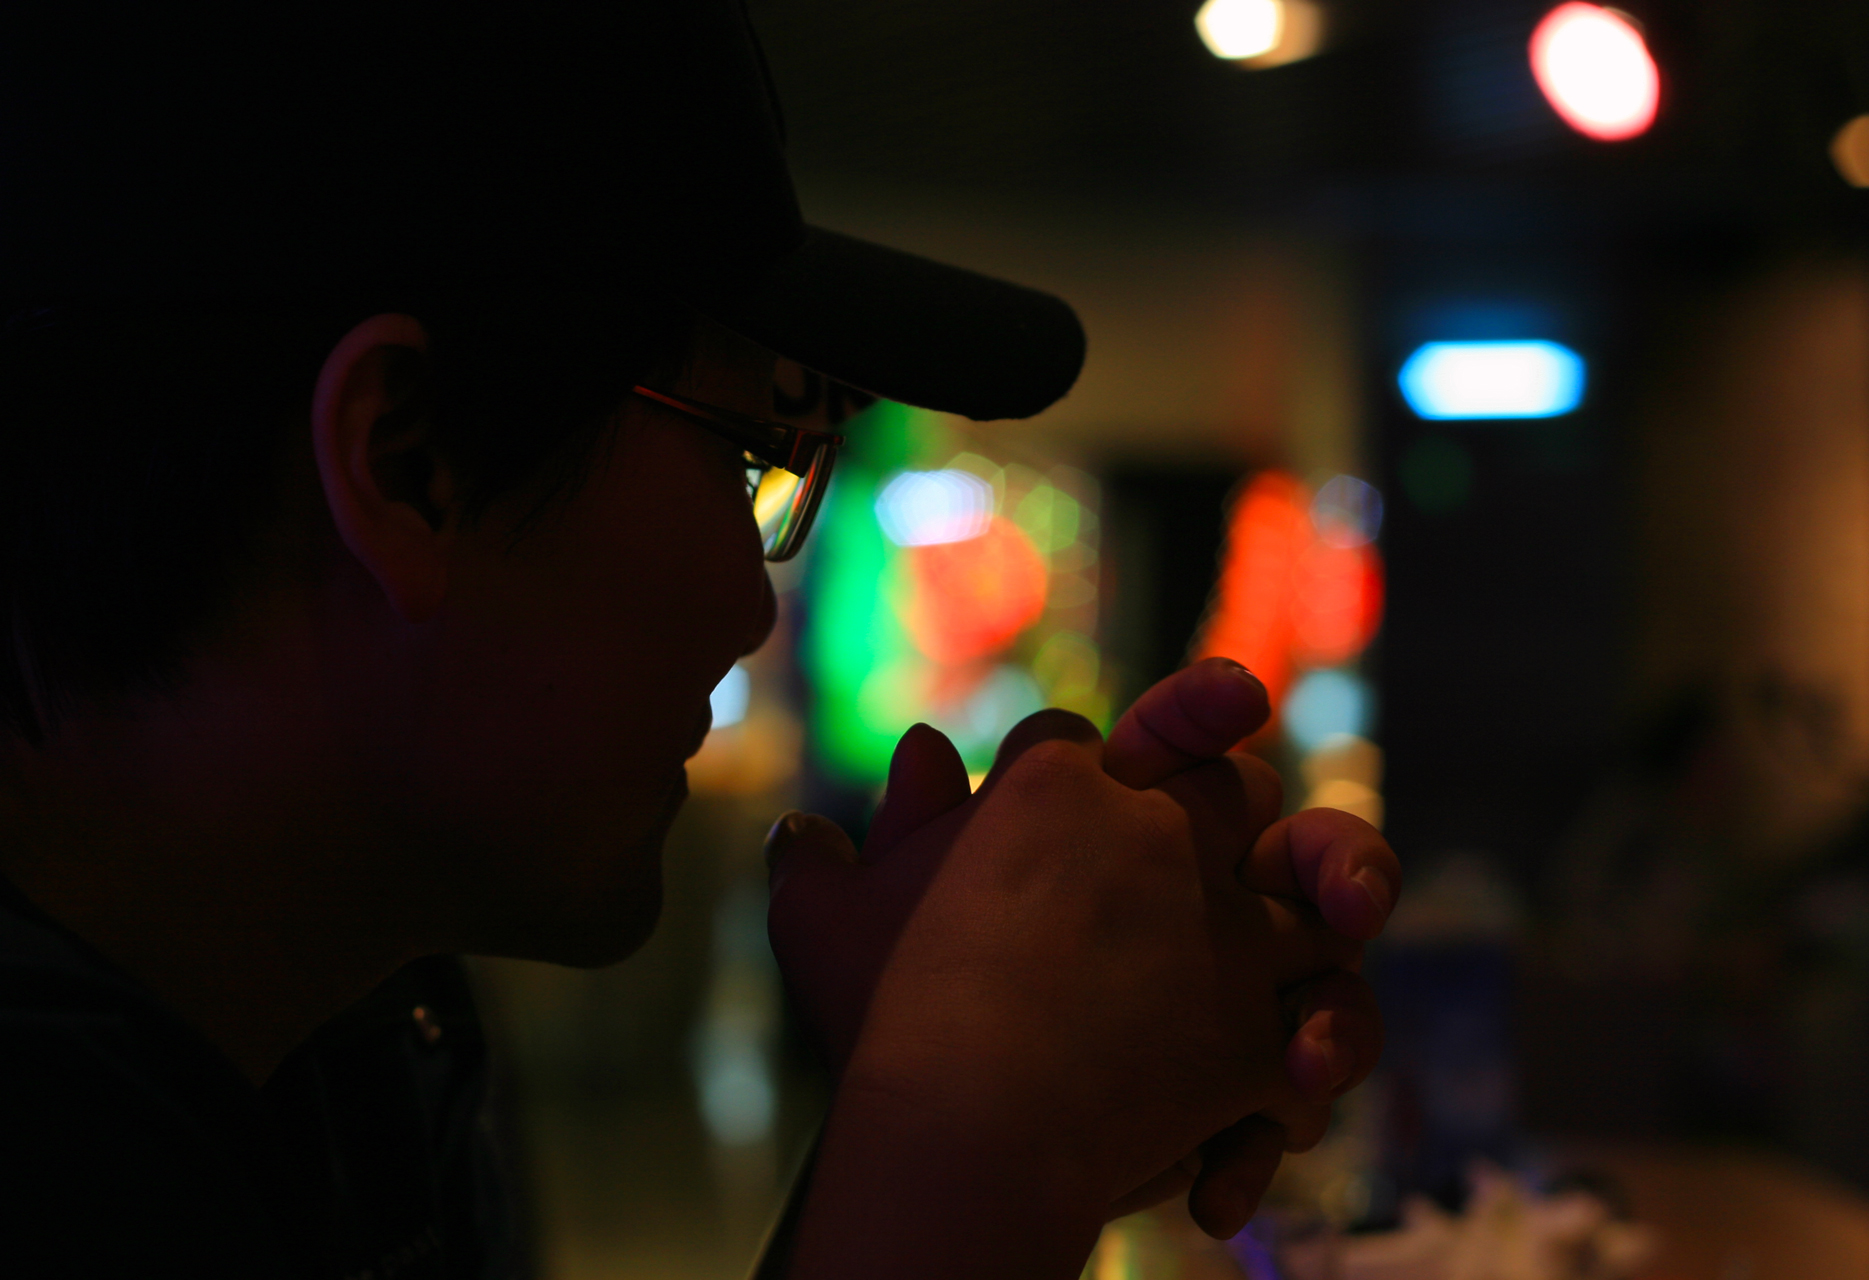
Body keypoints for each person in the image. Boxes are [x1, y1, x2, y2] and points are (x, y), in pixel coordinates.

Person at [0, 2, 1400, 1277]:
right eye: (748, 454)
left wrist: (941, 1076)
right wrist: (967, 1138)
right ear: (405, 462)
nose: (749, 607)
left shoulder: (349, 1032)